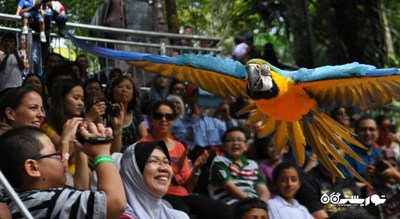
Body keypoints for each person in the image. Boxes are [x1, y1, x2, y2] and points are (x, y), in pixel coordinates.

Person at [0, 124, 126, 218]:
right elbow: (114, 202)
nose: (61, 157)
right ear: (33, 168)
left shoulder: (19, 200)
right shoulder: (45, 201)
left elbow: (80, 188)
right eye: (55, 153)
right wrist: (102, 153)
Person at [139, 100, 232, 218]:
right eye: (159, 116)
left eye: (169, 116)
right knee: (183, 212)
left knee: (224, 210)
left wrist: (196, 168)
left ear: (173, 120)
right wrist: (176, 168)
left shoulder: (179, 146)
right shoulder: (142, 145)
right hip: (159, 195)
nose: (164, 120)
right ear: (151, 119)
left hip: (183, 195)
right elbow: (146, 180)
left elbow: (189, 187)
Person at [119, 141, 189, 219]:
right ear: (134, 171)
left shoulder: (178, 216)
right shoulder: (120, 216)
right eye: (153, 161)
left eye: (166, 162)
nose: (164, 168)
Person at [208, 127, 270, 205]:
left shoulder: (253, 164)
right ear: (223, 146)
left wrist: (261, 205)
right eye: (230, 140)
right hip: (229, 203)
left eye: (240, 140)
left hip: (254, 204)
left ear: (246, 146)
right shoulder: (220, 161)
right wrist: (252, 203)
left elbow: (263, 190)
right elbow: (229, 187)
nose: (235, 143)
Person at [296, 161, 360, 218]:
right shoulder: (308, 181)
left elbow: (359, 212)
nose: (331, 151)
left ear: (343, 153)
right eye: (326, 148)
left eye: (337, 148)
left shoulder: (348, 181)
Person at [107, 76, 147, 152]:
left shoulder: (136, 114)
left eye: (128, 88)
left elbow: (145, 140)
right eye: (120, 86)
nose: (124, 90)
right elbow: (114, 153)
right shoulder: (105, 114)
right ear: (112, 90)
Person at [339, 114, 382, 181]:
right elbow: (345, 184)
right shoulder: (347, 153)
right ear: (356, 133)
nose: (367, 133)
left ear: (377, 132)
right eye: (363, 130)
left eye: (371, 129)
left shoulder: (380, 152)